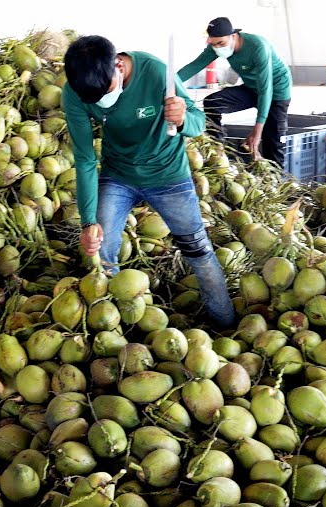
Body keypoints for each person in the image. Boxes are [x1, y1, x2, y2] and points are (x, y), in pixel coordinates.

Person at [63, 35, 235, 328]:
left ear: (118, 65)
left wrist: (182, 119)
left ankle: (225, 322)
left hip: (167, 175)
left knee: (198, 250)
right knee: (101, 248)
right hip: (118, 175)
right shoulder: (75, 92)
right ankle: (117, 328)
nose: (102, 102)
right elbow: (86, 159)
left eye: (106, 91)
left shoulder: (155, 72)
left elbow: (197, 123)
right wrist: (88, 221)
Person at [178, 17, 292, 165]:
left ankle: (277, 179)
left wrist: (257, 131)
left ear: (233, 36)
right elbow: (194, 66)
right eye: (213, 44)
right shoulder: (217, 46)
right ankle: (218, 152)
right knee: (213, 102)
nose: (217, 48)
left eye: (221, 43)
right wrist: (168, 82)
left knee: (272, 141)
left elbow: (265, 89)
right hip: (252, 87)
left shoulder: (258, 47)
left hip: (276, 90)